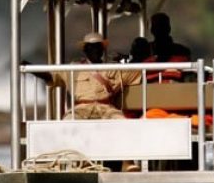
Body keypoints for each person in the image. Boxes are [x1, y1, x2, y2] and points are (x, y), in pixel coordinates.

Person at [27, 31, 142, 171]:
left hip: (105, 108)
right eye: (90, 47)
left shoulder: (113, 68)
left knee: (123, 123)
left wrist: (127, 60)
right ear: (85, 50)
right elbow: (51, 76)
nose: (95, 50)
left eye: (98, 46)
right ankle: (73, 163)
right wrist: (30, 68)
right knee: (66, 124)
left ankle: (128, 162)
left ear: (102, 49)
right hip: (81, 109)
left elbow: (137, 71)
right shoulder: (73, 68)